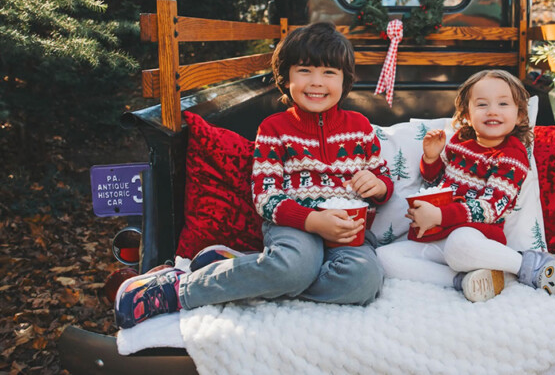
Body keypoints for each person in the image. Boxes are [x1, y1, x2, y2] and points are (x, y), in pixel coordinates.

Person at [115, 22, 393, 329]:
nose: (316, 82)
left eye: (329, 73)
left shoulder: (360, 126)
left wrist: (379, 185)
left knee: (363, 282)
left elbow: (382, 177)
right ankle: (179, 289)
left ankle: (244, 273)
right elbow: (266, 196)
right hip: (295, 226)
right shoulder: (275, 129)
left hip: (348, 231)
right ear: (286, 76)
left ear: (345, 80)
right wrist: (313, 221)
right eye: (305, 71)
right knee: (294, 267)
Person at [377, 69, 555, 302]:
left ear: (519, 116)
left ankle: (528, 264)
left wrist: (440, 216)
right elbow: (438, 185)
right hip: (438, 237)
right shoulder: (459, 142)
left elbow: (492, 206)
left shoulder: (511, 155)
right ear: (467, 114)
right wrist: (431, 159)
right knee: (385, 257)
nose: (492, 111)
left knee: (460, 243)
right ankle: (465, 280)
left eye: (503, 104)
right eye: (482, 104)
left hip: (475, 235)